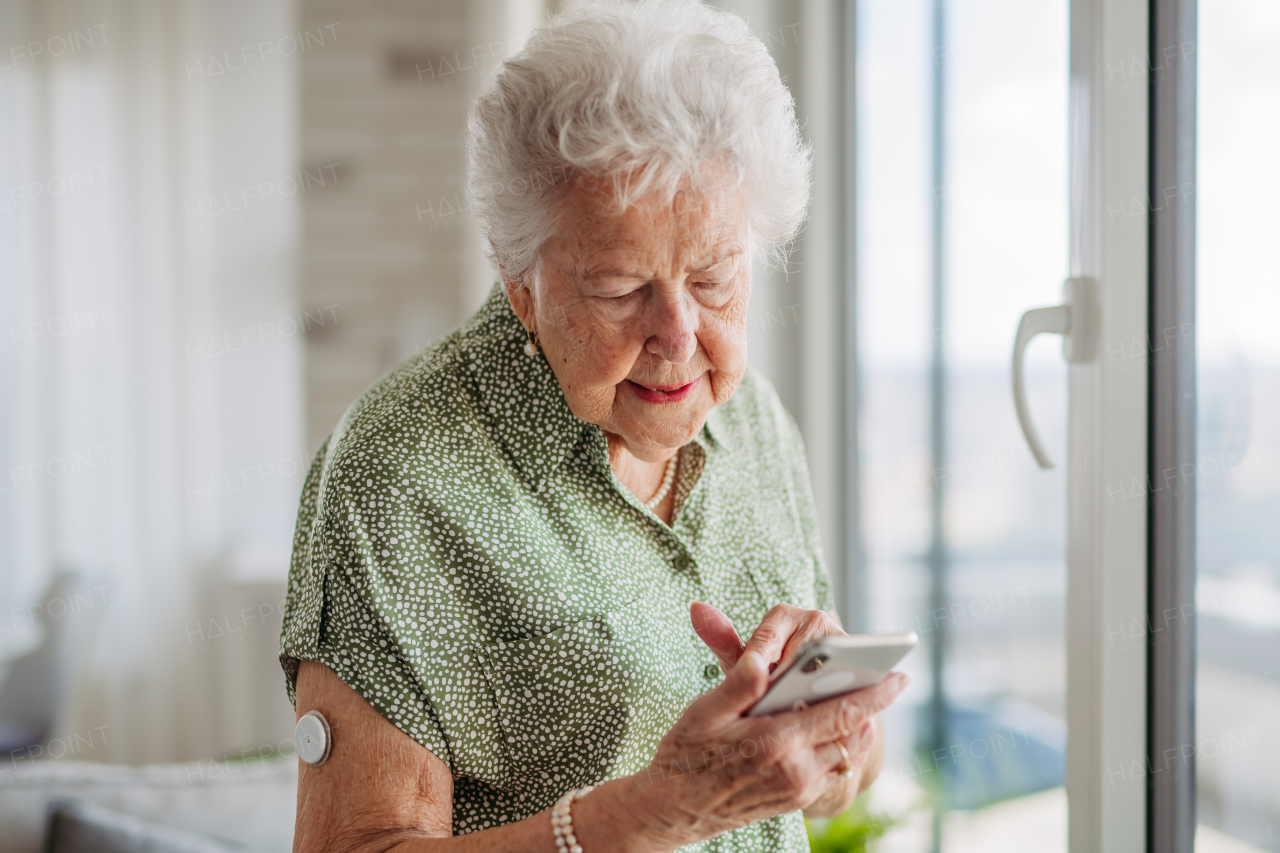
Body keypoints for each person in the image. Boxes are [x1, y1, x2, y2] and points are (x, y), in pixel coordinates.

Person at [279, 2, 908, 850]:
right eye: (620, 289)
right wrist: (656, 810)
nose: (679, 337)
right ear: (519, 279)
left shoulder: (754, 419)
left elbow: (830, 792)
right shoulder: (398, 471)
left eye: (717, 278)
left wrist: (835, 737)